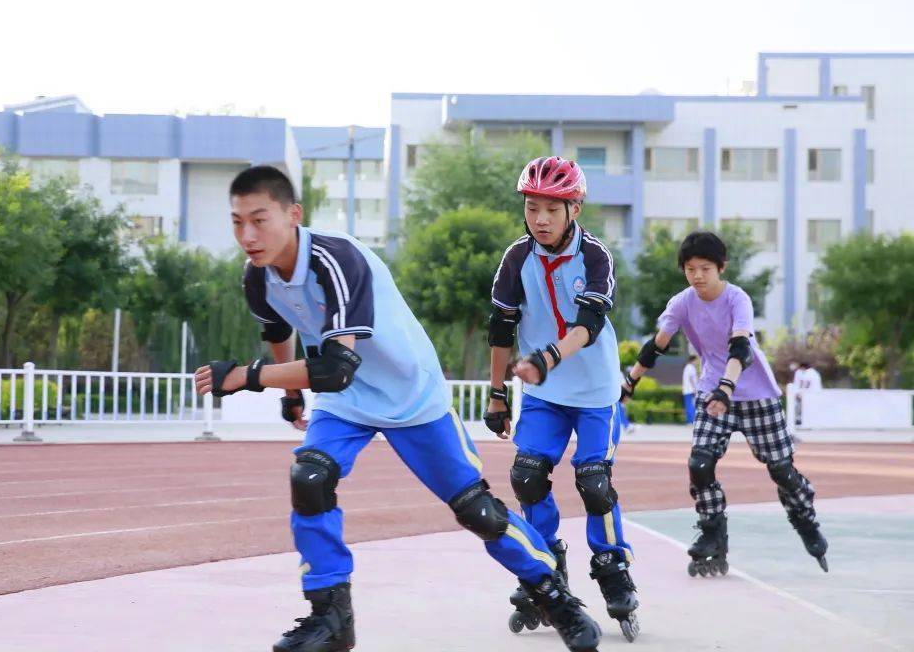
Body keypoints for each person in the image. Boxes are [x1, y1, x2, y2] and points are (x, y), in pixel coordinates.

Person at [195, 165, 601, 652]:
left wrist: (247, 377)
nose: (248, 235)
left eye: (259, 220)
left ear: (293, 215)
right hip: (346, 403)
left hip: (411, 396)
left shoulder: (335, 258)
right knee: (310, 477)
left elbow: (335, 367)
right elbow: (280, 330)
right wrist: (291, 394)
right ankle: (331, 617)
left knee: (479, 512)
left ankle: (553, 594)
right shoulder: (258, 276)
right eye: (237, 222)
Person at [485, 156, 639, 642]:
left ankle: (613, 567)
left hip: (594, 392)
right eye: (532, 207)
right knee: (527, 476)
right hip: (545, 394)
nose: (540, 219)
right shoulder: (516, 259)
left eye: (552, 208)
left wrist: (548, 357)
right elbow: (501, 327)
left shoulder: (595, 256)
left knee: (594, 482)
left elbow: (589, 327)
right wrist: (496, 394)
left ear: (574, 208)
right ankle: (546, 564)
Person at [621, 231, 828, 576]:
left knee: (781, 470)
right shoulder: (682, 303)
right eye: (690, 269)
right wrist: (631, 380)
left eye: (705, 268)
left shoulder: (737, 299)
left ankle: (804, 516)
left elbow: (740, 350)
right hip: (711, 392)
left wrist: (726, 388)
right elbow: (656, 345)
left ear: (721, 267)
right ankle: (712, 531)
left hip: (756, 395)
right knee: (700, 464)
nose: (698, 276)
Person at [682, 355, 700, 425]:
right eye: (696, 361)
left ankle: (690, 420)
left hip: (687, 390)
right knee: (691, 406)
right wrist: (695, 389)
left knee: (689, 405)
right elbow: (691, 378)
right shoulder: (690, 367)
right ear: (693, 360)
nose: (697, 362)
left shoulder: (687, 367)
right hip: (690, 390)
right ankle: (692, 421)